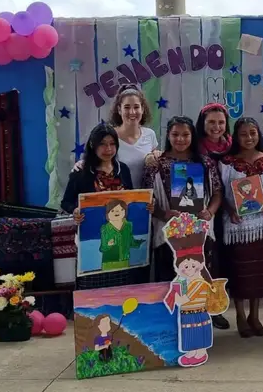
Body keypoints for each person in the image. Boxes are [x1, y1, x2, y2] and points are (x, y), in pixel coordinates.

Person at [61, 123, 153, 290]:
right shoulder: (81, 172)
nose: (108, 149)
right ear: (92, 145)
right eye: (102, 144)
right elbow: (66, 202)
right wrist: (75, 210)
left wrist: (145, 208)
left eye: (112, 144)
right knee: (94, 289)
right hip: (93, 242)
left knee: (122, 290)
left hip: (123, 243)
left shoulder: (122, 169)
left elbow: (130, 198)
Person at [141, 116, 223, 286]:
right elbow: (147, 199)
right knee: (171, 279)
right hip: (168, 233)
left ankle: (203, 312)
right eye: (175, 134)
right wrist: (163, 214)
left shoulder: (204, 162)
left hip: (200, 230)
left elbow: (217, 192)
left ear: (192, 136)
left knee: (200, 277)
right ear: (168, 136)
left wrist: (210, 212)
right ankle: (173, 312)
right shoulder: (156, 164)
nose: (180, 139)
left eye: (185, 135)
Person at [219, 117, 263, 338]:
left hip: (261, 224)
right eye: (243, 134)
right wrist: (229, 210)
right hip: (238, 225)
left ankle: (255, 315)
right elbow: (219, 192)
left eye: (253, 133)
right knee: (240, 272)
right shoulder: (226, 163)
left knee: (259, 273)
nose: (249, 138)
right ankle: (240, 316)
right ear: (235, 136)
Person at [73, 84, 162, 189]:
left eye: (136, 107)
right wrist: (82, 163)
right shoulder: (109, 136)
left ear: (142, 109)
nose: (132, 112)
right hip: (115, 201)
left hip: (143, 201)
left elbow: (153, 166)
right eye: (127, 107)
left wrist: (157, 154)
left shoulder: (150, 134)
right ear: (119, 110)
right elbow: (93, 159)